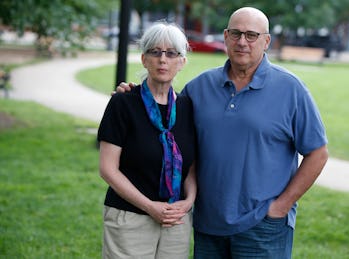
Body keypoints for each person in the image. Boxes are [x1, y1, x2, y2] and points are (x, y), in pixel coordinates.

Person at [117, 7, 328, 259]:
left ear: (266, 41)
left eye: (251, 35)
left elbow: (318, 153)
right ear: (226, 36)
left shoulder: (291, 89)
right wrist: (131, 95)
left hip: (263, 226)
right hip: (208, 225)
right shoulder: (199, 88)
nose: (242, 42)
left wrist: (281, 207)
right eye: (236, 33)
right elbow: (164, 114)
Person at [97, 21, 197, 259]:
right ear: (144, 59)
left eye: (172, 53)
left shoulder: (187, 107)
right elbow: (107, 169)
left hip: (176, 221)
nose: (163, 59)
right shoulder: (123, 103)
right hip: (130, 218)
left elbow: (191, 167)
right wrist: (150, 206)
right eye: (155, 52)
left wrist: (189, 201)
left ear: (182, 61)